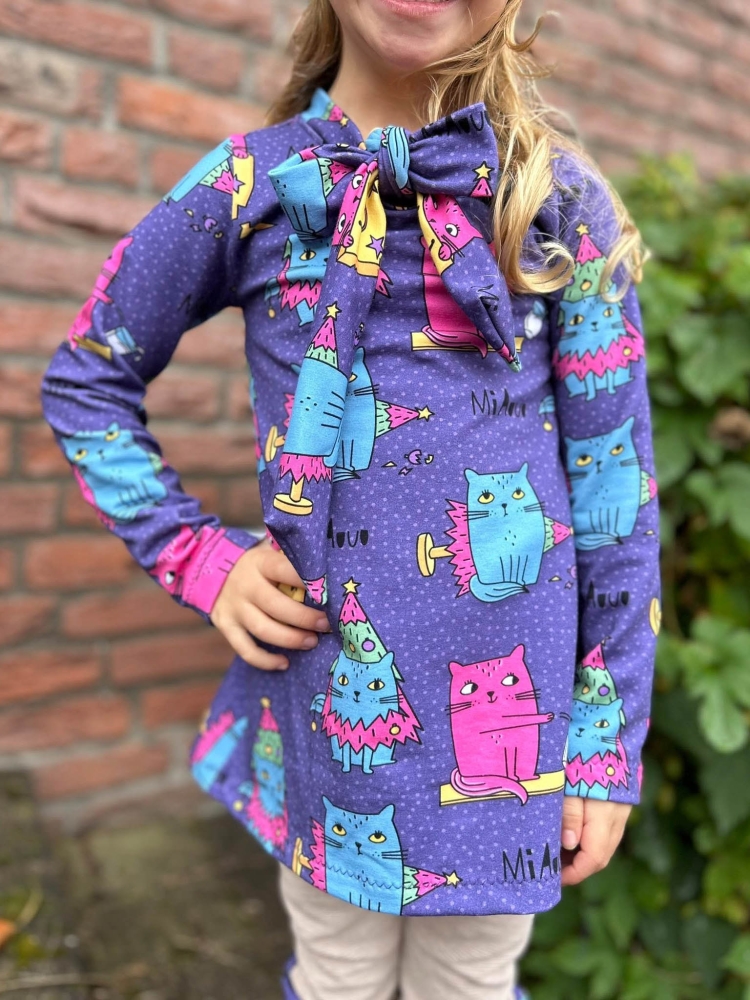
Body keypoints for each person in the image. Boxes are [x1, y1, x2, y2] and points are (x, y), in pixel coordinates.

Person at [40, 0, 661, 997]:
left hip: (513, 747)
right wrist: (199, 557)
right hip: (330, 721)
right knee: (338, 979)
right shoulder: (254, 186)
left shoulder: (556, 203)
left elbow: (614, 498)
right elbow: (88, 376)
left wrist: (605, 738)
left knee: (470, 985)